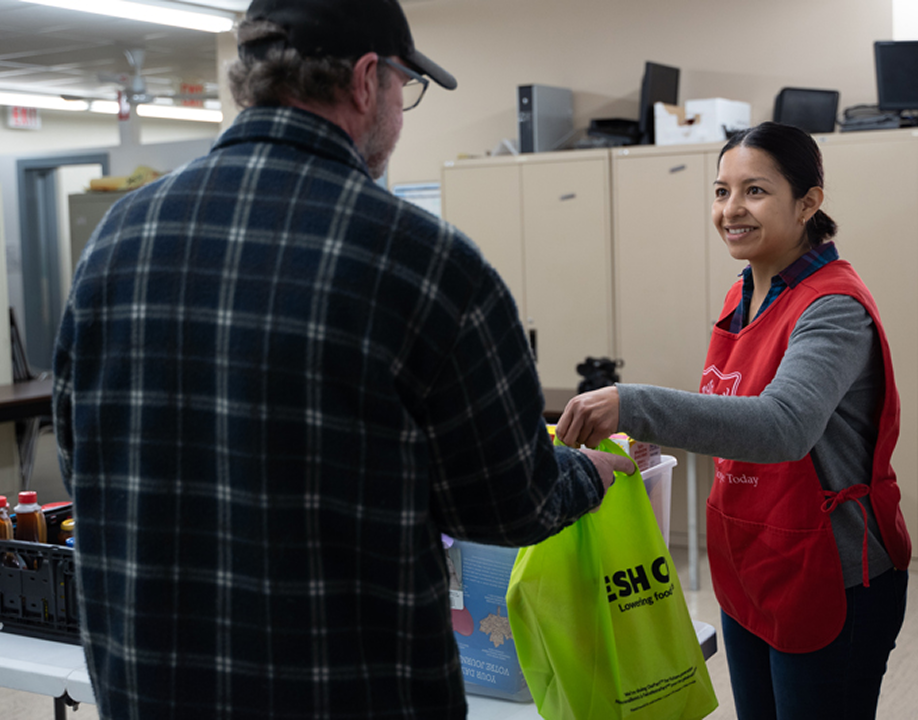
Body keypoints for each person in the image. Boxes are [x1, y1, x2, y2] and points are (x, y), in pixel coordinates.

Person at [51, 1, 631, 718]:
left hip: (152, 686)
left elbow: (84, 461)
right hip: (343, 692)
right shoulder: (424, 263)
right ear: (365, 81)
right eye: (403, 88)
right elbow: (507, 502)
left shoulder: (118, 238)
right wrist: (587, 474)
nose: (400, 108)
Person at [556, 121, 911, 719]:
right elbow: (728, 412)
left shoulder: (833, 309)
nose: (731, 209)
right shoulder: (743, 293)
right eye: (721, 191)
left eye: (755, 191)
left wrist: (634, 403)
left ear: (808, 203)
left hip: (831, 573)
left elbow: (782, 426)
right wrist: (640, 436)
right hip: (752, 560)